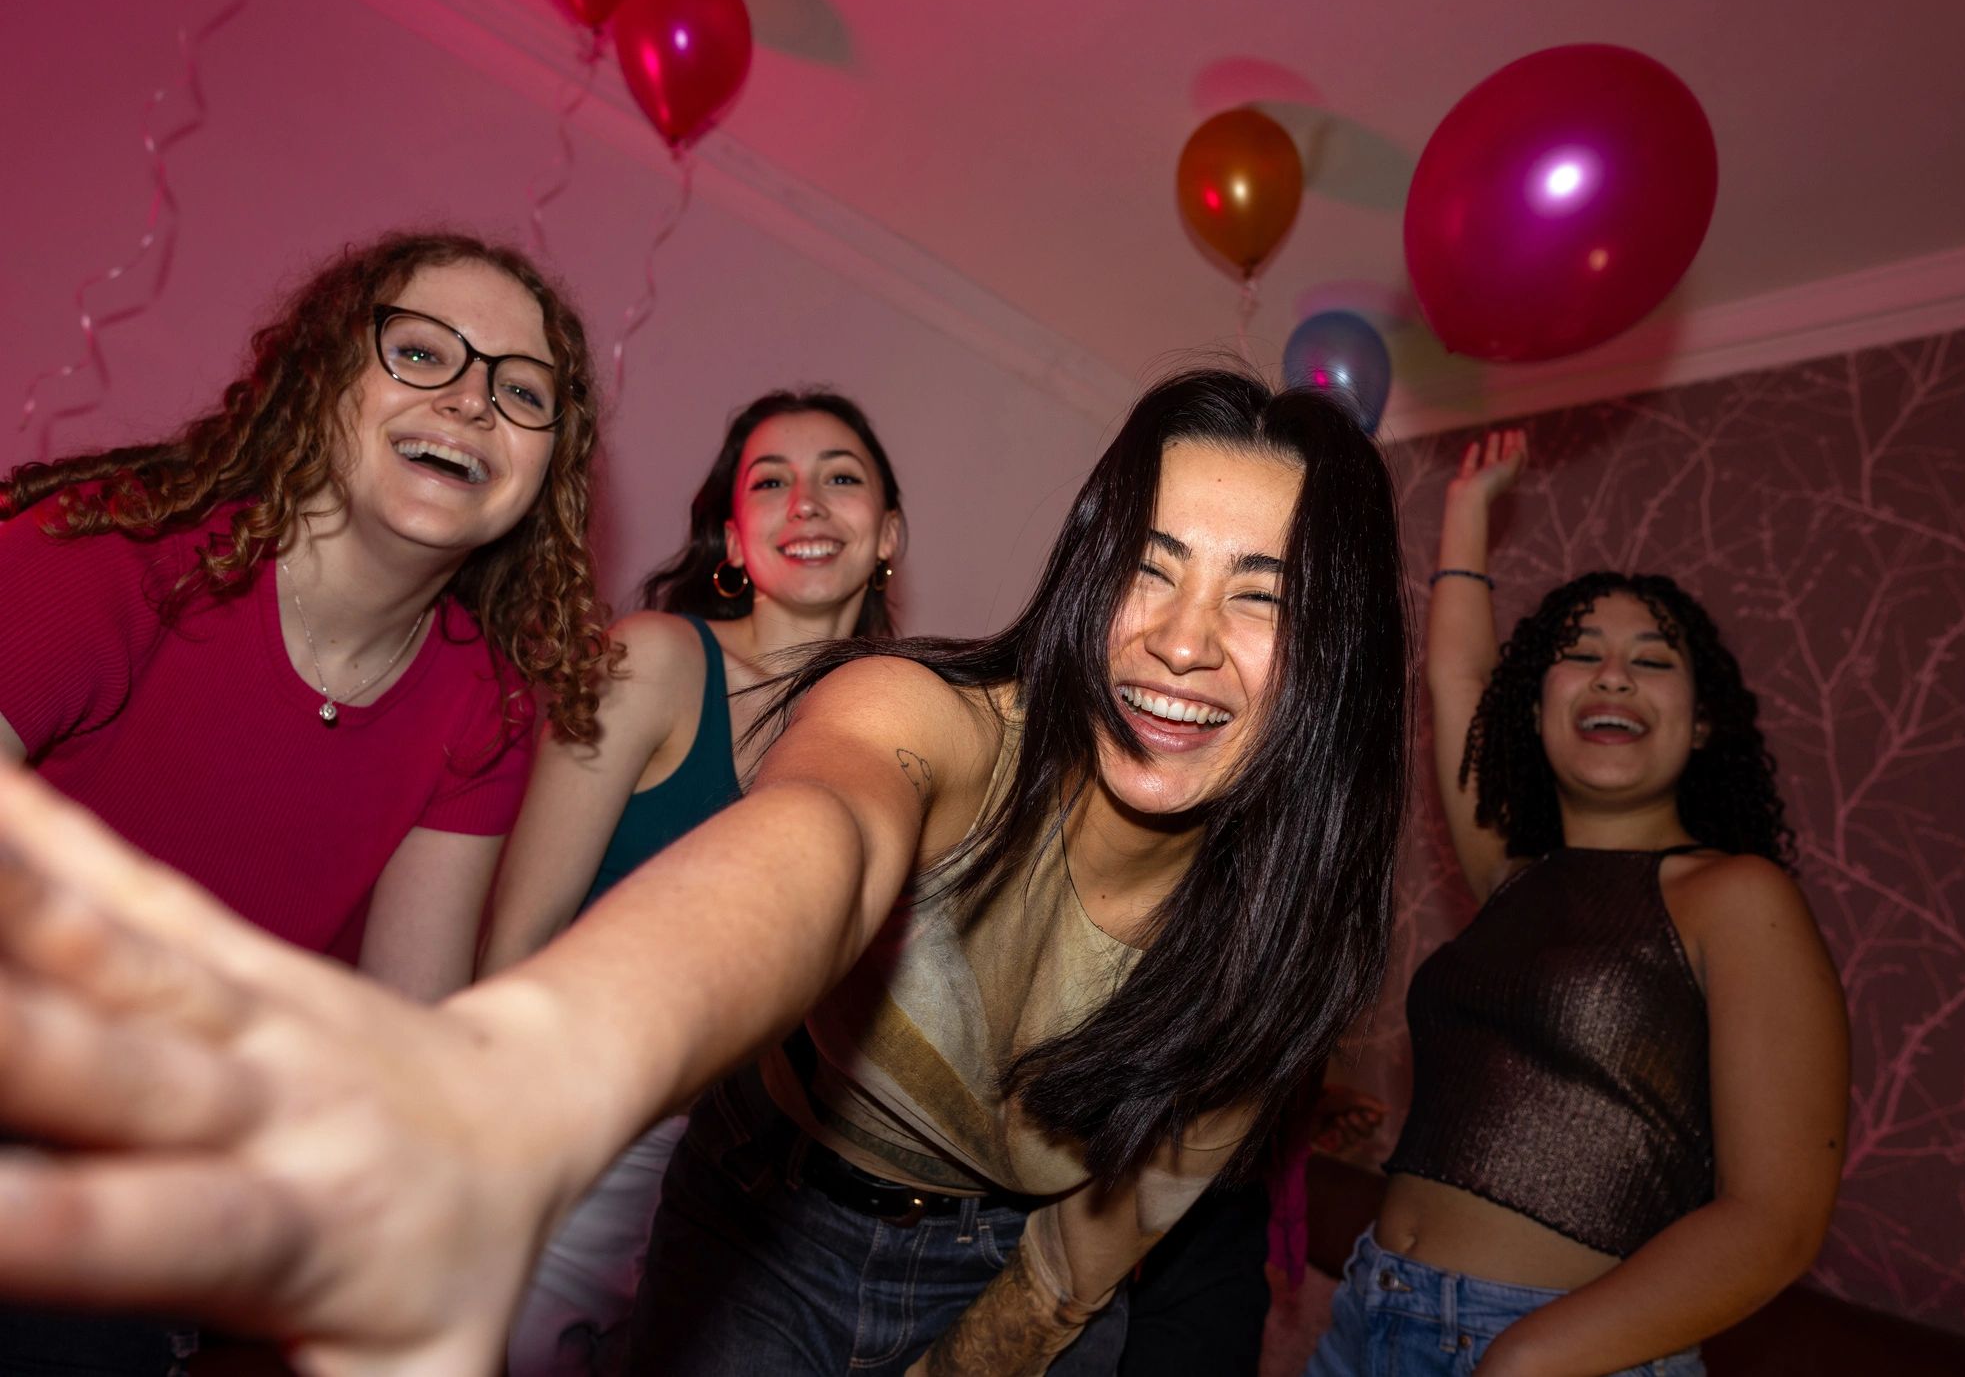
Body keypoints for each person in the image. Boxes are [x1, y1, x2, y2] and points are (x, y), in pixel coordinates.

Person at [0, 367, 1406, 1377]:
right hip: (770, 1220)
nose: (1181, 638)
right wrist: (521, 1081)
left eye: (1261, 597)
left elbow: (1106, 1232)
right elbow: (826, 839)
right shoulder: (933, 717)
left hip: (1023, 1275)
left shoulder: (1286, 927)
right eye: (1151, 570)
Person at [0, 229, 610, 1376]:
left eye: (521, 390)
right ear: (319, 377)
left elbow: (399, 1046)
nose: (474, 399)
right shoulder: (117, 555)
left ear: (548, 465)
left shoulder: (484, 708)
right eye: (422, 353)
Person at [1305, 429, 1849, 1377]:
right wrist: (1469, 511)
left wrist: (1528, 1358)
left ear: (1703, 717)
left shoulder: (1736, 897)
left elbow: (1777, 1221)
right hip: (1367, 1316)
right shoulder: (1513, 880)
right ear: (1537, 702)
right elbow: (1456, 679)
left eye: (1652, 659)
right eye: (1580, 653)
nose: (1612, 674)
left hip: (1559, 1355)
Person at [486, 388, 905, 1377]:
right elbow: (519, 933)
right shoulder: (656, 660)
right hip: (584, 1129)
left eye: (839, 478)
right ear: (732, 533)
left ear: (887, 533)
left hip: (753, 1193)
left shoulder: (896, 733)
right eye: (771, 482)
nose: (805, 502)